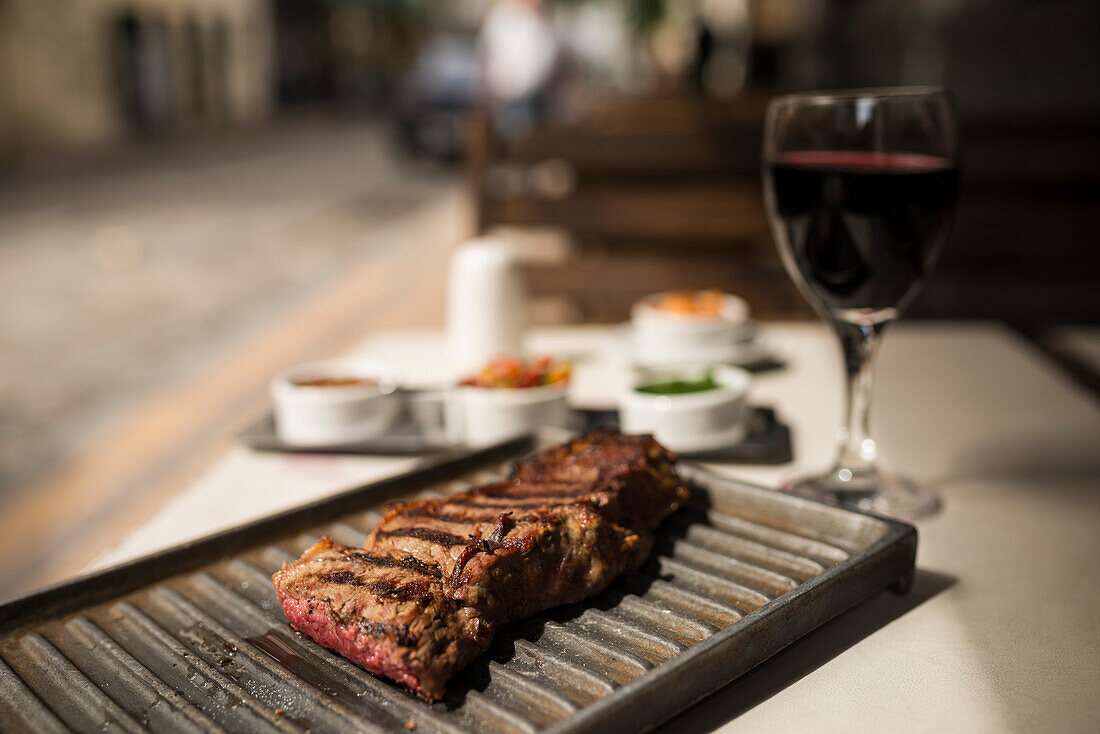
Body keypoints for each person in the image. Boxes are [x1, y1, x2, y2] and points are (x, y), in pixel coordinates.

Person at [477, 0, 562, 139]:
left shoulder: (539, 24)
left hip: (529, 98)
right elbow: (487, 55)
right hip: (502, 97)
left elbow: (544, 63)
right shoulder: (500, 19)